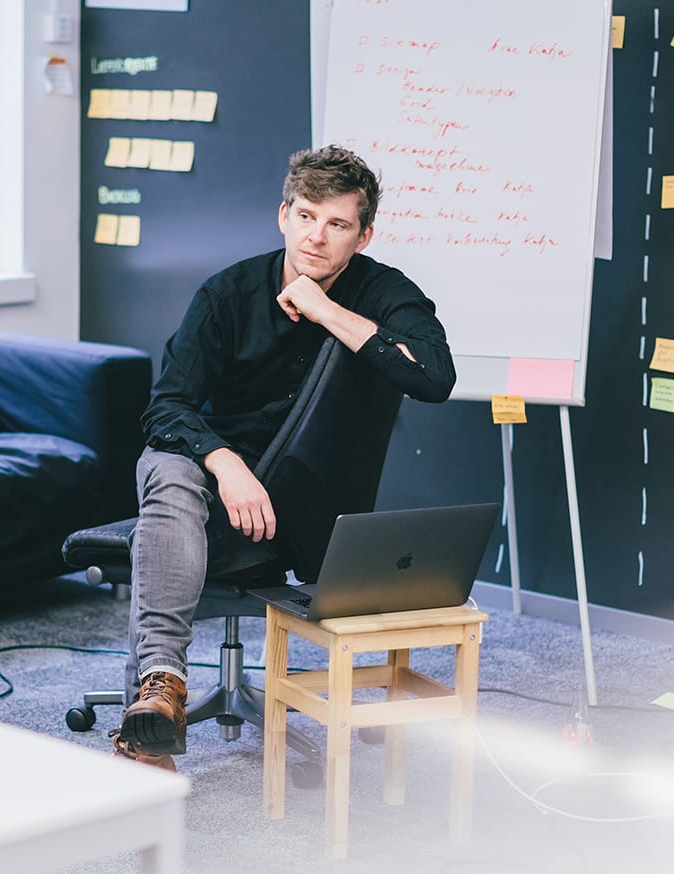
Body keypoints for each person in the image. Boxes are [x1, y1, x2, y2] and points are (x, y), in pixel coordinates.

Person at [112, 146, 457, 771]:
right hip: (213, 485)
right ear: (283, 215)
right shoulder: (228, 294)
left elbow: (433, 377)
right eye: (305, 216)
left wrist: (325, 309)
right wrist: (226, 462)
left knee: (169, 490)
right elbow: (166, 408)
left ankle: (151, 714)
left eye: (337, 224)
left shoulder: (382, 292)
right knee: (168, 469)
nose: (316, 237)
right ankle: (161, 685)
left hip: (305, 510)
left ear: (364, 234)